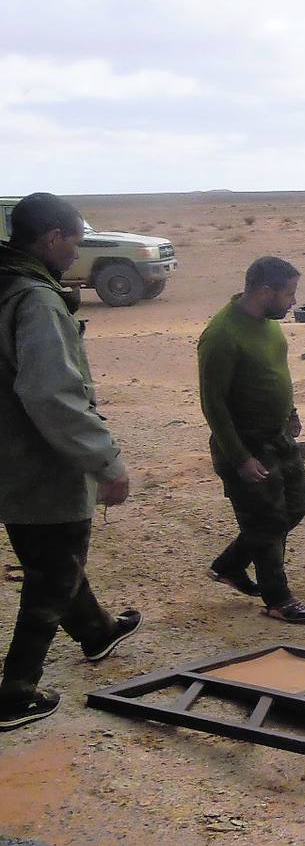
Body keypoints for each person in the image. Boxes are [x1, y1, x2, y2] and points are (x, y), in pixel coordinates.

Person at [0, 193, 140, 731]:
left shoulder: (5, 283)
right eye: (77, 238)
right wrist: (106, 462)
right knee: (53, 572)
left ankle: (98, 630)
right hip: (42, 460)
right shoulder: (34, 299)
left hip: (12, 458)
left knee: (48, 556)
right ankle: (16, 691)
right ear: (53, 238)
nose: (79, 248)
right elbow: (51, 393)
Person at [197, 256, 305, 623]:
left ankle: (229, 565)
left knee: (295, 506)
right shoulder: (221, 335)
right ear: (265, 291)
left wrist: (291, 412)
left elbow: (278, 372)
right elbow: (213, 404)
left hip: (279, 437)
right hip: (247, 443)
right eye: (290, 294)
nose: (293, 302)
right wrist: (239, 458)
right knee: (267, 521)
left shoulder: (268, 324)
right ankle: (277, 598)